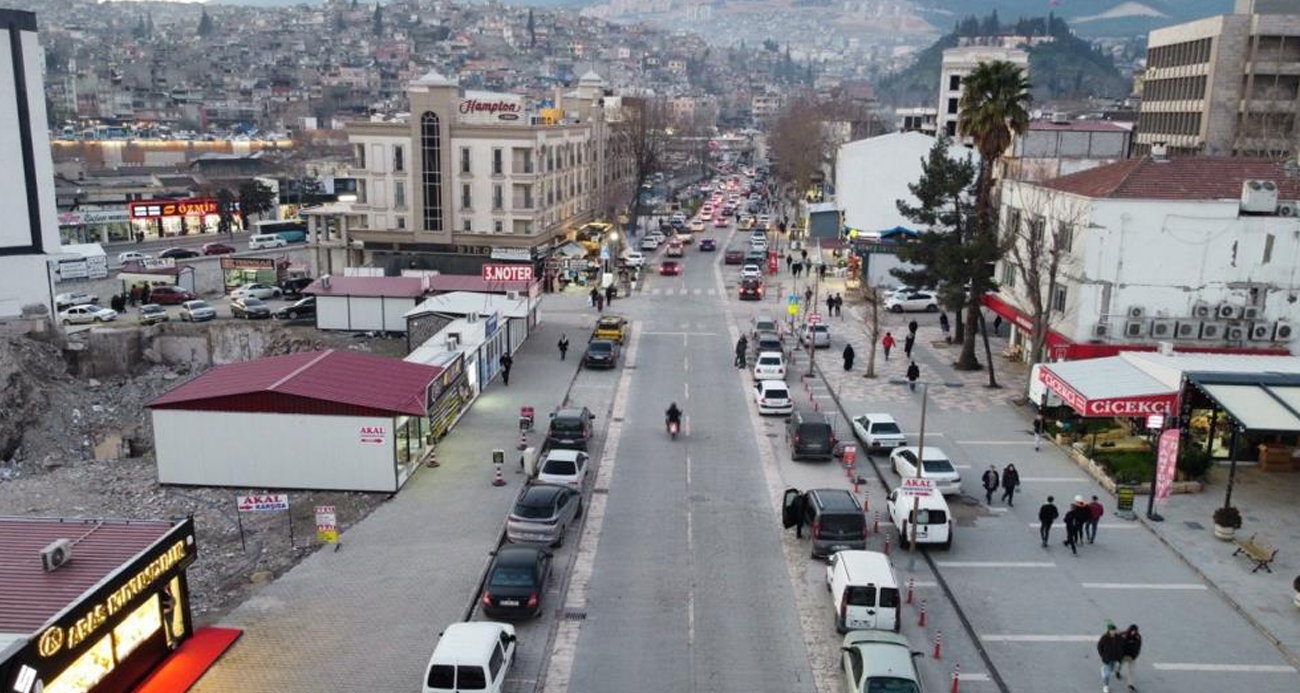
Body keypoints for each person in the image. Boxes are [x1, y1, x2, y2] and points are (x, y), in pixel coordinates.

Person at [1098, 622, 1126, 693]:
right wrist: (1102, 655)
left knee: (1111, 670)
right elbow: (1099, 647)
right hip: (1107, 658)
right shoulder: (1104, 638)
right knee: (1107, 674)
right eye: (1111, 630)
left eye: (1114, 630)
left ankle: (1104, 669)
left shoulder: (1119, 637)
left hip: (1115, 658)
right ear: (1108, 630)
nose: (1113, 631)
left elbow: (1124, 643)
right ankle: (1106, 686)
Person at [1117, 624, 1141, 691]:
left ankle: (1130, 685)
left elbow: (1138, 647)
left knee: (1131, 671)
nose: (1134, 632)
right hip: (1123, 656)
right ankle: (1117, 672)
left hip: (1132, 657)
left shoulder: (1138, 637)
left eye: (1135, 631)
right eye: (1133, 631)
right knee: (1120, 665)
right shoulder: (1123, 636)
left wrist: (1135, 655)